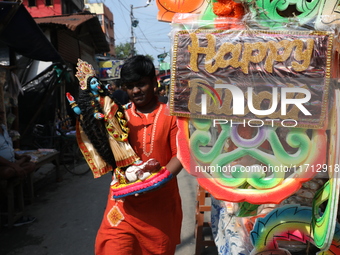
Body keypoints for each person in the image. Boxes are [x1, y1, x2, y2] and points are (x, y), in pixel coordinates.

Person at [95, 55, 183, 255]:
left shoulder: (171, 115)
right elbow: (110, 157)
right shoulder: (119, 116)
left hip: (159, 206)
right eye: (130, 86)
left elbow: (180, 156)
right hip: (123, 207)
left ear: (154, 83)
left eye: (141, 84)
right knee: (113, 248)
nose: (135, 91)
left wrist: (154, 182)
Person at [0, 110, 35, 179]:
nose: (1, 116)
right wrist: (13, 165)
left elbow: (7, 147)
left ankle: (16, 167)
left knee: (31, 165)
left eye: (1, 113)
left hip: (12, 162)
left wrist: (19, 157)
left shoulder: (3, 127)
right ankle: (16, 168)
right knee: (8, 171)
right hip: (2, 165)